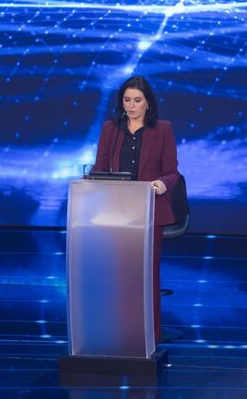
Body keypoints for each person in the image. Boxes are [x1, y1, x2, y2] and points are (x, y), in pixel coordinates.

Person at [92, 75, 180, 344]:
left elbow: (172, 172)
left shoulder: (162, 129)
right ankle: (118, 328)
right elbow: (99, 168)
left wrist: (161, 184)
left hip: (150, 210)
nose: (131, 106)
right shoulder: (110, 129)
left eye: (137, 100)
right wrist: (92, 182)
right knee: (118, 272)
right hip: (117, 210)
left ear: (148, 103)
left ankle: (150, 333)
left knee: (146, 274)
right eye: (127, 100)